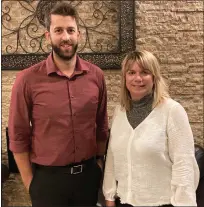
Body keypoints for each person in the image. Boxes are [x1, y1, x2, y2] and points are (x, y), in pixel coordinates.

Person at [8, 2, 108, 207]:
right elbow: (18, 135)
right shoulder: (27, 79)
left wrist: (98, 165)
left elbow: (101, 126)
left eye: (71, 30)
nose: (66, 37)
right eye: (59, 30)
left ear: (79, 34)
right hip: (47, 182)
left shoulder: (96, 76)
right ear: (48, 36)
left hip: (87, 179)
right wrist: (31, 184)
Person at [103, 50, 200, 207]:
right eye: (131, 72)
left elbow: (184, 164)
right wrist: (109, 195)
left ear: (154, 77)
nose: (138, 78)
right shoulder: (119, 112)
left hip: (162, 202)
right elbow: (112, 159)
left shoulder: (172, 111)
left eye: (145, 72)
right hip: (124, 201)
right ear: (125, 78)